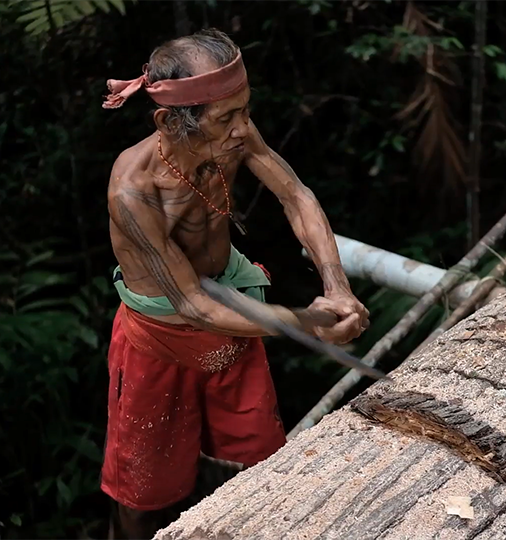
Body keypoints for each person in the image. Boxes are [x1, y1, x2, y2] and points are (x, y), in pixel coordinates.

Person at [99, 28, 370, 539]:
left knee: (258, 460)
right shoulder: (132, 190)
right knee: (142, 491)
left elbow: (297, 197)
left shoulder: (232, 133)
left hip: (237, 323)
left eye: (245, 109)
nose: (243, 128)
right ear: (170, 121)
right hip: (161, 340)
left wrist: (337, 288)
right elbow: (194, 306)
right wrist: (306, 323)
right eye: (227, 117)